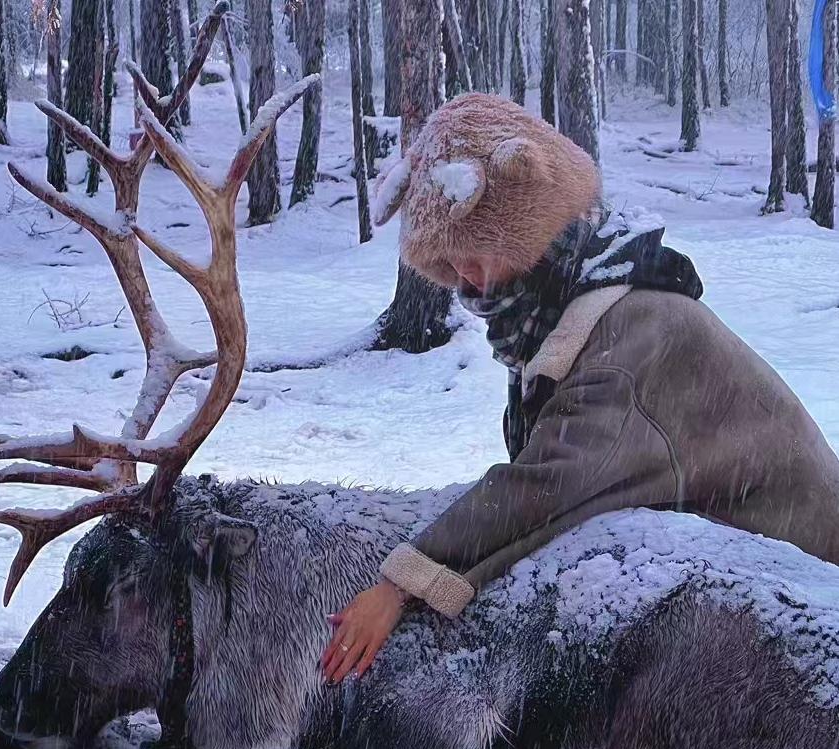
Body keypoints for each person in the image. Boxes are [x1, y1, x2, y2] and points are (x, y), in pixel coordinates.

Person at [322, 92, 839, 683]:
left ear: (528, 227)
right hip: (755, 574)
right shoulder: (564, 308)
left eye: (475, 252)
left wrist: (400, 583)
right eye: (448, 261)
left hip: (814, 589)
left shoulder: (628, 334)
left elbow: (544, 485)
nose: (465, 279)